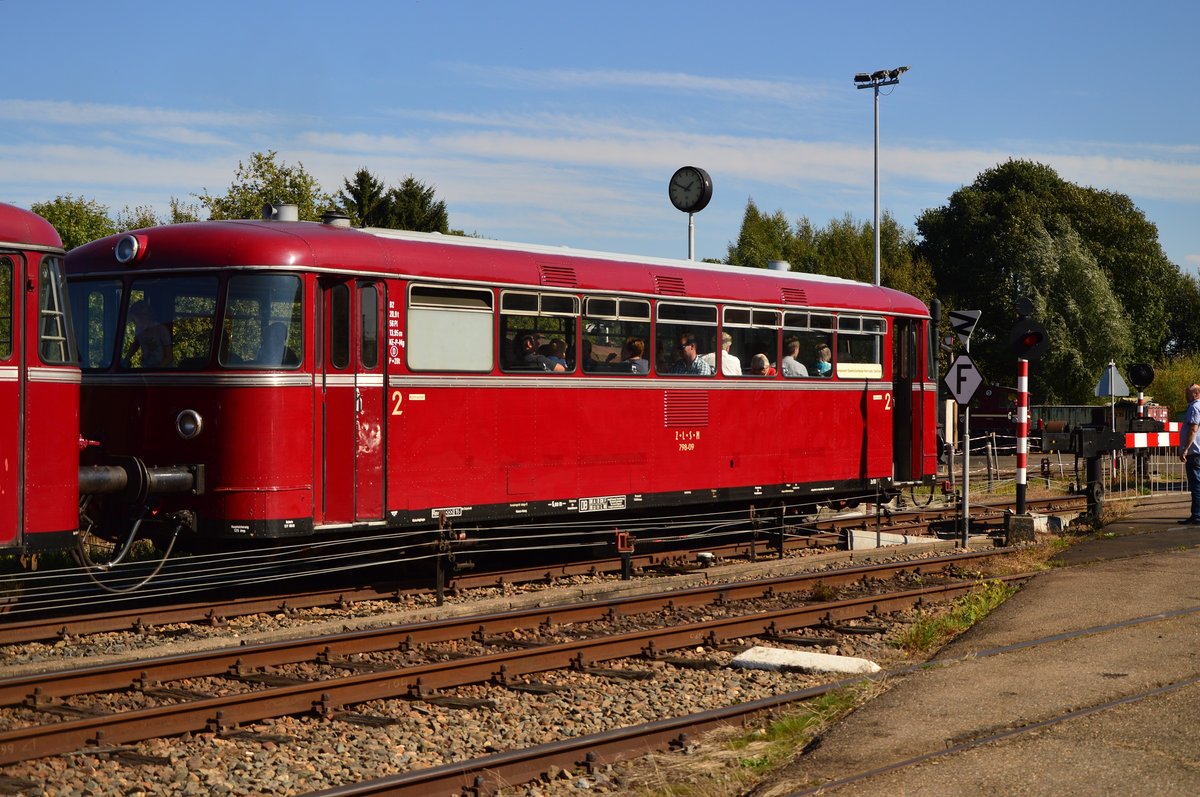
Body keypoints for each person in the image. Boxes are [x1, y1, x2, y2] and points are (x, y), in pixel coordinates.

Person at [124, 300, 172, 368]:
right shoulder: (139, 329)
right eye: (136, 317)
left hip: (163, 372)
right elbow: (136, 344)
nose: (140, 319)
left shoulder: (160, 329)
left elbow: (169, 357)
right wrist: (126, 359)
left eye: (143, 315)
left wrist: (156, 372)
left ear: (149, 315)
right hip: (146, 368)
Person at [1179, 383, 1200, 524]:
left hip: (1195, 452)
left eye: (1188, 393)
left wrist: (1185, 449)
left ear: (1195, 394)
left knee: (1196, 485)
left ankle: (1197, 516)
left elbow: (1193, 429)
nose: (1186, 395)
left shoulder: (1194, 407)